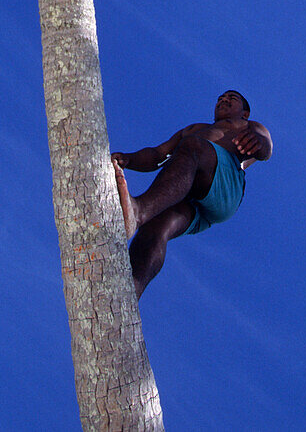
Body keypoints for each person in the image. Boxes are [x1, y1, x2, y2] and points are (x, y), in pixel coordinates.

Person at [111, 90, 272, 297]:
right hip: (190, 199)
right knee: (157, 226)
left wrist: (259, 144)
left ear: (245, 112)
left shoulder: (250, 126)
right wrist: (129, 159)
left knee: (194, 146)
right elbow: (158, 155)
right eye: (220, 99)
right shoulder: (194, 129)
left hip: (225, 186)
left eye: (232, 99)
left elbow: (266, 149)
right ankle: (130, 291)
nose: (224, 100)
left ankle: (138, 210)